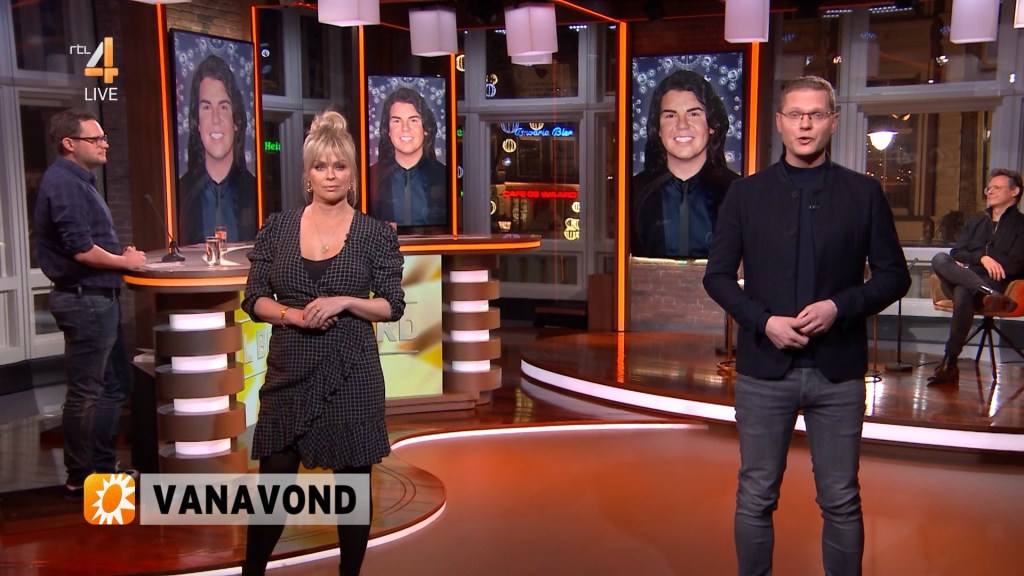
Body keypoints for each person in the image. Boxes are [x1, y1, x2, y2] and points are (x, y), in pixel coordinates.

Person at [703, 76, 910, 576]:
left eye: (816, 114)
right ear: (779, 122)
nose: (805, 125)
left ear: (833, 122)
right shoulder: (745, 194)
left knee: (841, 499)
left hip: (837, 374)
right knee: (756, 494)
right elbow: (717, 277)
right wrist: (763, 321)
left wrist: (840, 306)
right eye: (795, 114)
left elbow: (894, 276)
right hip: (764, 371)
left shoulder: (864, 193)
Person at [240, 110, 405, 576]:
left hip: (350, 374)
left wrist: (346, 301)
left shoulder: (374, 233)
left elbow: (392, 305)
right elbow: (254, 298)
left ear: (352, 175)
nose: (330, 175)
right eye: (320, 166)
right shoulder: (278, 227)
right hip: (289, 372)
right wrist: (293, 315)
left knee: (351, 493)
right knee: (272, 489)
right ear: (307, 174)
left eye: (340, 166)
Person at [33, 108, 148, 497]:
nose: (105, 144)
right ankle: (80, 475)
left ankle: (102, 466)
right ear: (69, 143)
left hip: (98, 299)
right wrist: (123, 262)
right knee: (87, 392)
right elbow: (80, 249)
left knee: (114, 385)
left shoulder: (79, 181)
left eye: (104, 137)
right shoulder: (63, 183)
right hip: (85, 302)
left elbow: (88, 242)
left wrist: (118, 255)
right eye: (95, 138)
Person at [928, 169, 1024, 386]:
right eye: (989, 188)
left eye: (997, 187)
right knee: (940, 259)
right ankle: (984, 290)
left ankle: (950, 361)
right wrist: (982, 258)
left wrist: (982, 257)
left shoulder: (1021, 225)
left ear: (1014, 191)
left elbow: (1016, 264)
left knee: (963, 291)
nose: (990, 191)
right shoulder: (975, 223)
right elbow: (957, 253)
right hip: (977, 282)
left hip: (999, 283)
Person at [632, 69, 740, 259]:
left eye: (693, 114)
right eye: (670, 115)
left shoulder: (738, 192)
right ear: (658, 129)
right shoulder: (633, 192)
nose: (682, 125)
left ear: (712, 125)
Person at [178, 54, 257, 246]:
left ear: (236, 121)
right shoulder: (181, 193)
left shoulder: (256, 192)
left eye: (223, 107)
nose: (215, 119)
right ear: (197, 122)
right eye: (206, 107)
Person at [369, 87, 447, 227]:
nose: (405, 128)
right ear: (388, 131)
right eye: (397, 121)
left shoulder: (445, 177)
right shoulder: (370, 178)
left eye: (413, 120)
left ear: (426, 129)